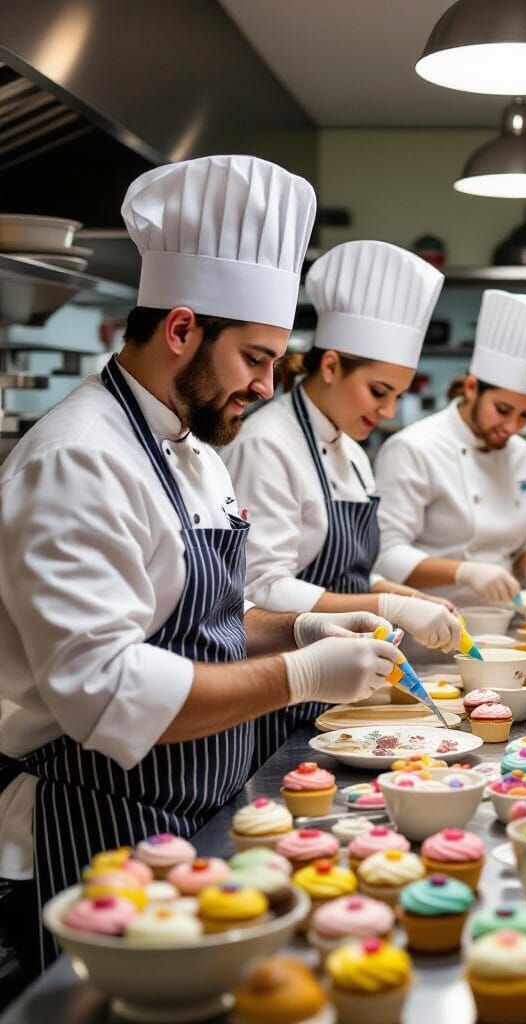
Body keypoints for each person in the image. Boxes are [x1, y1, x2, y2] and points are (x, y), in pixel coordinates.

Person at [0, 156, 399, 973]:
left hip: (200, 801)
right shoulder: (78, 459)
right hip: (102, 817)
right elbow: (106, 688)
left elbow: (208, 621)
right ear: (182, 329)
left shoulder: (195, 445)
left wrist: (304, 626)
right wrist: (300, 674)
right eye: (254, 359)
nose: (263, 386)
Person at [224, 240, 463, 759]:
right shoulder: (268, 443)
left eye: (397, 395)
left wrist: (405, 595)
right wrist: (387, 604)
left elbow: (346, 571)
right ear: (330, 365)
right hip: (284, 688)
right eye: (379, 391)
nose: (389, 410)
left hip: (341, 692)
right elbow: (262, 585)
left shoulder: (351, 451)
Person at [373, 289, 526, 608]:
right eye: (503, 410)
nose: (512, 427)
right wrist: (464, 572)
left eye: (525, 415)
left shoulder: (524, 456)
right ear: (471, 388)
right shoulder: (412, 449)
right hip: (428, 631)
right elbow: (386, 555)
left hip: (506, 627)